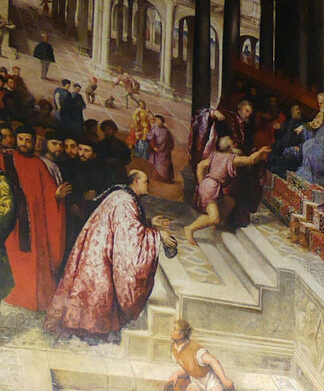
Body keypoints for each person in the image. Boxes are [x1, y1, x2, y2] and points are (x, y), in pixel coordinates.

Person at [43, 170, 175, 341]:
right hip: (100, 254)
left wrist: (150, 223)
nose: (148, 185)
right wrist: (158, 235)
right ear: (135, 181)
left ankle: (88, 329)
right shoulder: (124, 200)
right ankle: (89, 331)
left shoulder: (124, 197)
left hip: (100, 248)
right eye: (146, 181)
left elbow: (128, 226)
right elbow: (129, 235)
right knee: (97, 291)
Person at [2, 129, 70, 312]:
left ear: (34, 143)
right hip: (12, 219)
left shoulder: (38, 164)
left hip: (35, 221)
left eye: (27, 140)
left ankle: (32, 298)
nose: (24, 143)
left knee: (34, 260)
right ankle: (12, 294)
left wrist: (56, 194)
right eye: (21, 139)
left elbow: (49, 188)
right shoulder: (6, 158)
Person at [181, 136, 270, 245]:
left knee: (230, 202)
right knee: (214, 218)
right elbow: (250, 160)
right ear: (230, 147)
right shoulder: (231, 159)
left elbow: (200, 166)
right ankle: (190, 228)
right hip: (211, 188)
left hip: (210, 186)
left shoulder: (216, 155)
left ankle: (216, 221)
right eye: (234, 144)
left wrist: (202, 184)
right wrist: (261, 152)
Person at [164, 319, 248, 391]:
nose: (171, 330)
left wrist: (224, 379)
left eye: (174, 329)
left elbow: (213, 361)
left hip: (209, 379)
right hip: (195, 380)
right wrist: (177, 374)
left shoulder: (196, 350)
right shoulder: (175, 350)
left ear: (181, 335)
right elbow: (189, 367)